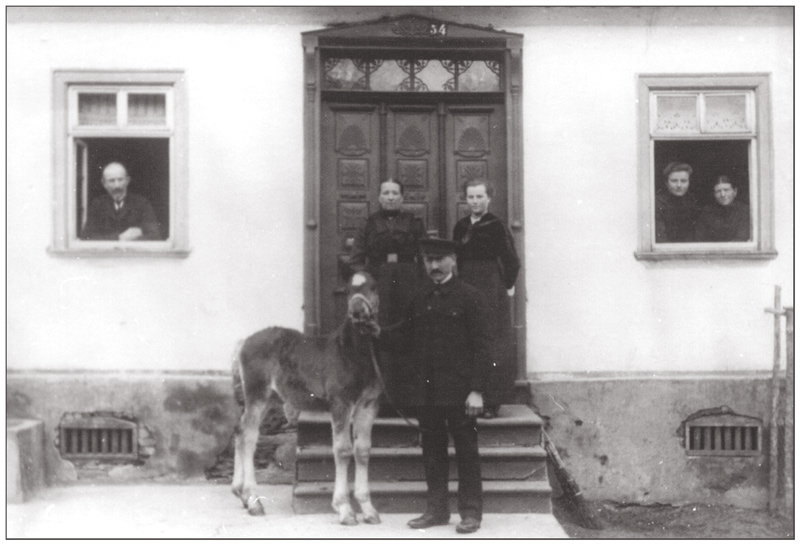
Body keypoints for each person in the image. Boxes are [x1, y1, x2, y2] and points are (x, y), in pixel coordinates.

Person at [374, 237, 493, 534]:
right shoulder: (420, 297)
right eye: (429, 260)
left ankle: (470, 513)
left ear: (453, 260)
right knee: (432, 452)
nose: (434, 266)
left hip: (462, 392)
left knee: (466, 451)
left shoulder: (470, 297)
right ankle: (437, 510)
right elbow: (405, 335)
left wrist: (477, 389)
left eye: (440, 260)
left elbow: (483, 347)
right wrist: (377, 333)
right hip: (427, 392)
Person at [452, 178, 520, 419]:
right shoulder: (460, 226)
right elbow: (455, 259)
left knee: (491, 340)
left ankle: (491, 401)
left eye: (479, 197)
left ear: (489, 198)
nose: (475, 202)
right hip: (465, 284)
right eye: (470, 197)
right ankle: (468, 396)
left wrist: (507, 286)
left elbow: (512, 260)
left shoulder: (496, 225)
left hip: (490, 286)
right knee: (466, 338)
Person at [348, 178, 427, 326]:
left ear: (401, 198)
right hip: (378, 279)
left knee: (408, 323)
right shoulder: (368, 224)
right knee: (380, 322)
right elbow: (355, 260)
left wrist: (421, 283)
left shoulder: (414, 223)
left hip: (408, 279)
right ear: (379, 197)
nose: (390, 197)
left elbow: (425, 256)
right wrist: (368, 280)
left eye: (395, 193)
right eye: (386, 193)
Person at [81, 162, 161, 241]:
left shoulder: (142, 203)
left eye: (120, 180)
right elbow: (86, 237)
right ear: (104, 183)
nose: (117, 185)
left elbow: (155, 236)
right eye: (112, 181)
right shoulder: (97, 205)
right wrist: (119, 238)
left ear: (127, 180)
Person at [694, 175, 751, 242]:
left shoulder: (744, 211)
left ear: (735, 191)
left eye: (726, 190)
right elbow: (700, 239)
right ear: (714, 194)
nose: (722, 194)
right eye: (718, 191)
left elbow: (741, 239)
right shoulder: (707, 212)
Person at [655, 162, 700, 243]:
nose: (679, 185)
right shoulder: (658, 203)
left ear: (689, 182)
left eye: (683, 181)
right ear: (666, 183)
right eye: (674, 181)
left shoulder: (691, 202)